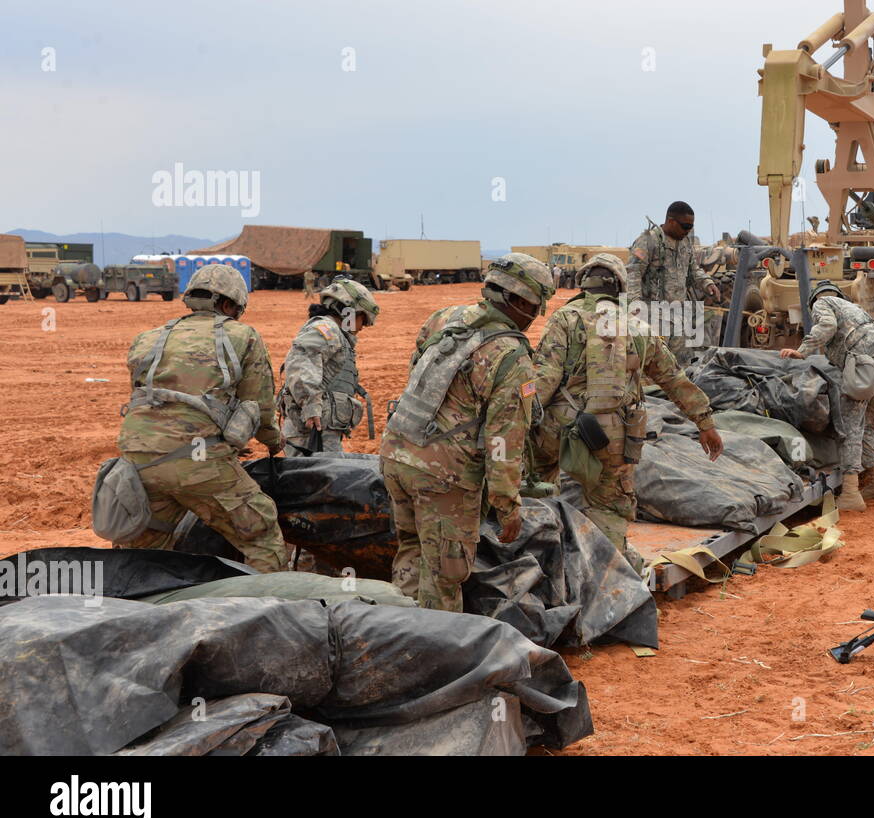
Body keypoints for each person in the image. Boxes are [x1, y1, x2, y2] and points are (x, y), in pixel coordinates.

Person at [381, 253, 555, 611]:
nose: (535, 317)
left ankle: (396, 634)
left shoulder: (444, 318)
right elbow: (503, 441)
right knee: (445, 575)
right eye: (537, 307)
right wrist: (507, 506)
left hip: (397, 454)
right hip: (443, 480)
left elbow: (418, 374)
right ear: (521, 300)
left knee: (412, 550)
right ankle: (436, 655)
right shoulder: (511, 356)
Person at [533, 253, 723, 566]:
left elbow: (542, 382)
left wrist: (517, 427)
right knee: (609, 508)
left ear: (583, 284)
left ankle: (539, 556)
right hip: (613, 436)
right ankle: (609, 577)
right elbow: (673, 378)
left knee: (536, 482)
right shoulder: (637, 326)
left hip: (560, 429)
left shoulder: (564, 320)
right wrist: (705, 422)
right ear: (621, 287)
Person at [115, 264, 287, 571]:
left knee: (145, 554)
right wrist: (274, 443)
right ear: (227, 304)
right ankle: (265, 612)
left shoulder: (148, 338)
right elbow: (259, 405)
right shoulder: (243, 336)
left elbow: (143, 398)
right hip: (199, 461)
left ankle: (139, 612)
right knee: (261, 533)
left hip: (138, 461)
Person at [780, 281, 874, 511]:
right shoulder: (853, 308)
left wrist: (802, 351)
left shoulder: (823, 303)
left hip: (863, 366)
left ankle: (851, 494)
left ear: (814, 299)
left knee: (850, 428)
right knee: (868, 425)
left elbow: (827, 325)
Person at [278, 277, 380, 456]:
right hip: (310, 432)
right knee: (315, 480)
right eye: (363, 320)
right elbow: (301, 362)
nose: (363, 327)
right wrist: (310, 406)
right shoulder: (326, 329)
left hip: (319, 430)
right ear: (348, 312)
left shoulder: (337, 333)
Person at [627, 201, 721, 364]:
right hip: (653, 314)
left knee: (680, 365)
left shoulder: (685, 243)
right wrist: (635, 304)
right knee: (653, 363)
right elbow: (633, 272)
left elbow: (693, 269)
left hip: (679, 315)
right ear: (671, 221)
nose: (688, 231)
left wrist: (707, 282)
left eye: (690, 227)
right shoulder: (648, 241)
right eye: (685, 226)